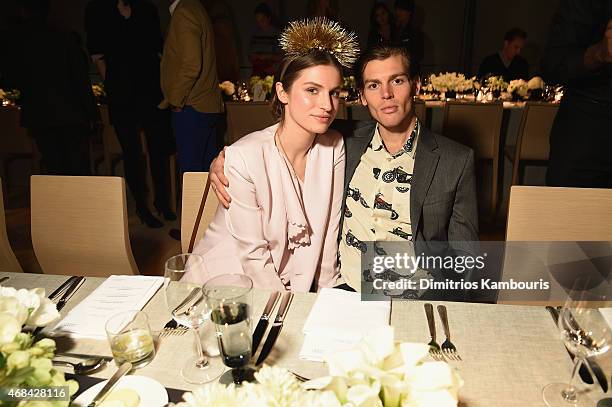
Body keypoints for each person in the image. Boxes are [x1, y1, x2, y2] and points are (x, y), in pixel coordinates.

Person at [211, 45, 479, 295]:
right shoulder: (345, 141)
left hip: (414, 292)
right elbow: (281, 137)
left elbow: (466, 260)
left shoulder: (455, 160)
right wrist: (226, 159)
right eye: (374, 85)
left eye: (397, 80)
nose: (386, 94)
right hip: (345, 288)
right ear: (361, 96)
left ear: (416, 85)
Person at [185, 18, 358, 292]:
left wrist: (329, 297)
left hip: (287, 285)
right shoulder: (244, 157)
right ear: (282, 92)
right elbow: (253, 258)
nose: (327, 105)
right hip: (225, 282)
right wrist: (287, 310)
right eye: (312, 90)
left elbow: (327, 236)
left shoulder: (333, 146)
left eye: (334, 93)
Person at [85, 0, 176, 228]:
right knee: (131, 154)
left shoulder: (146, 9)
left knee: (158, 150)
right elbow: (98, 57)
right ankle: (142, 207)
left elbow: (158, 52)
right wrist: (115, 86)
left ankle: (162, 202)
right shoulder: (97, 10)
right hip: (121, 94)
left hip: (150, 90)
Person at [8, 0, 98, 176]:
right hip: (71, 114)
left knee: (54, 167)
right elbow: (80, 79)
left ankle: (60, 202)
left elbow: (14, 78)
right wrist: (92, 114)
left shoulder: (20, 42)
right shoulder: (65, 38)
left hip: (41, 115)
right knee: (77, 167)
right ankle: (79, 202)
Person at [542, 1, 612, 188]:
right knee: (569, 213)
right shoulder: (582, 7)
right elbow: (553, 65)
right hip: (588, 129)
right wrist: (600, 53)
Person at [160, 0, 223, 173]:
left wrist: (175, 99)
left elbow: (191, 64)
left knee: (191, 175)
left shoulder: (184, 11)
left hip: (192, 106)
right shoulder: (196, 7)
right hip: (205, 105)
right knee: (206, 176)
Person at [249, 2, 282, 76]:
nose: (260, 24)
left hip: (273, 71)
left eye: (262, 20)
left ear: (268, 18)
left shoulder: (277, 34)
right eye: (258, 21)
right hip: (258, 72)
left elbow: (282, 56)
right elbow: (251, 54)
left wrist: (267, 57)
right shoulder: (255, 34)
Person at [393, 0, 424, 65]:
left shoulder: (414, 31)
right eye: (396, 9)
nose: (398, 13)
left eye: (401, 10)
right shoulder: (394, 30)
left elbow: (418, 55)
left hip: (409, 70)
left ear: (409, 12)